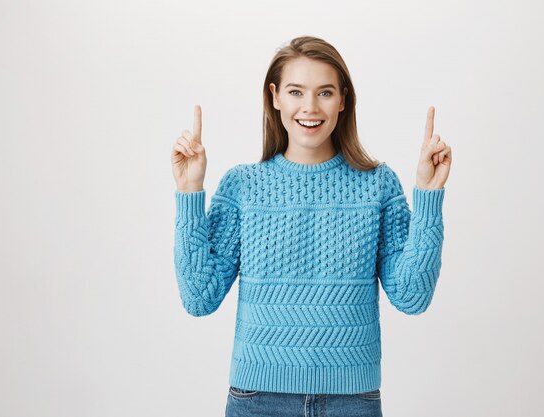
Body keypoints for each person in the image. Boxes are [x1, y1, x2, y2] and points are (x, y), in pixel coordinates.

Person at [170, 35, 452, 417]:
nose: (309, 107)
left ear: (343, 100)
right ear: (275, 96)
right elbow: (199, 297)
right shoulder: (243, 186)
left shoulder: (378, 185)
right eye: (295, 91)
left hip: (352, 401)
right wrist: (189, 192)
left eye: (324, 93)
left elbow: (412, 295)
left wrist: (428, 195)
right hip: (258, 399)